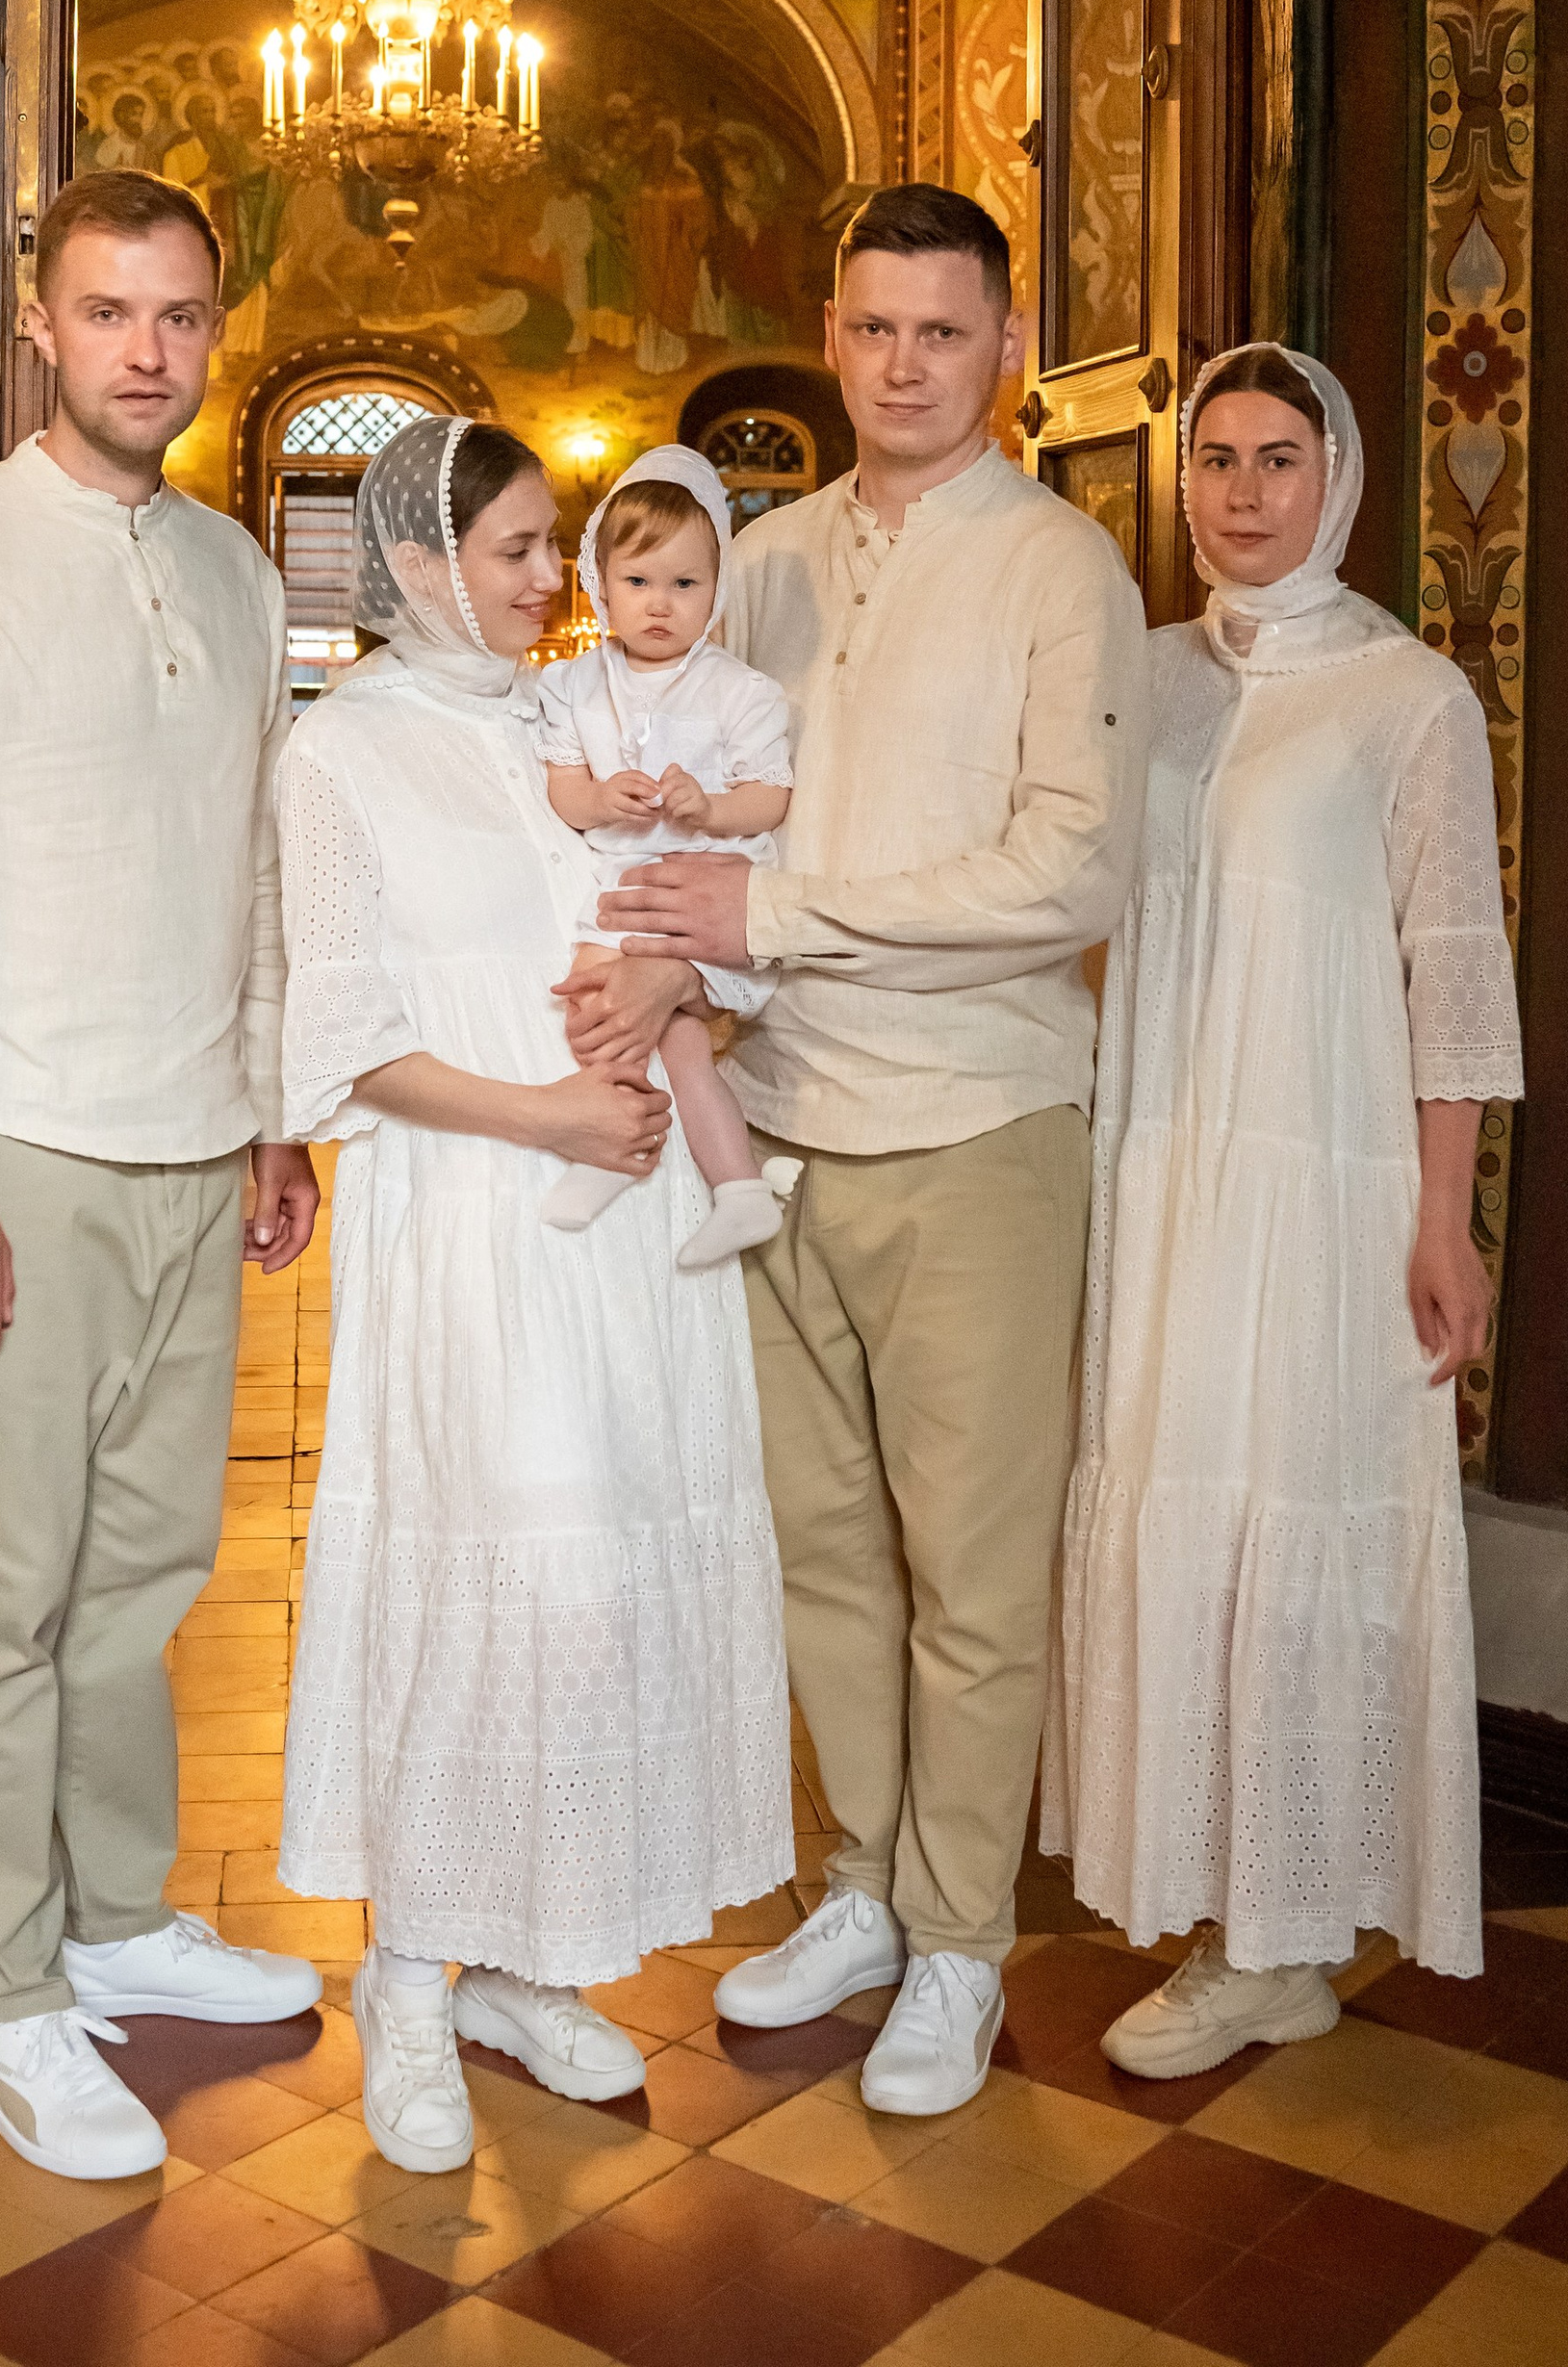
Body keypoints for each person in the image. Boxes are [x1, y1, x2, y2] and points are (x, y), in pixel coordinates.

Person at [603, 183, 1148, 2119]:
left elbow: (1068, 867)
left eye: (943, 331)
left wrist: (781, 921)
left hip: (972, 1129)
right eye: (872, 328)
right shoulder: (760, 562)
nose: (903, 364)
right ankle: (861, 1887)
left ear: (1004, 349)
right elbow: (690, 789)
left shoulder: (1061, 569)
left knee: (972, 1570)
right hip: (777, 1126)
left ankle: (964, 1944)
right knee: (816, 1546)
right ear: (827, 336)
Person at [0, 169, 323, 2187]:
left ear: (216, 330)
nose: (149, 351)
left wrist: (274, 1103)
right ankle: (13, 2003)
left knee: (142, 1584)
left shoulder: (229, 572)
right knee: (7, 1598)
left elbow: (259, 864)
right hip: (16, 1155)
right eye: (112, 313)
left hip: (196, 1145)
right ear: (42, 327)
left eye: (182, 316)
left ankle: (119, 1924)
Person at [272, 415, 791, 2177]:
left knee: (594, 1602)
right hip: (477, 1225)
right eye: (513, 550)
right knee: (493, 1587)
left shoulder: (577, 726)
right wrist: (551, 1109)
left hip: (633, 1245)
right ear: (421, 565)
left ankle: (518, 1957)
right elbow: (340, 1042)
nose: (551, 579)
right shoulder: (345, 757)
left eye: (557, 546)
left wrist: (667, 975)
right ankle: (406, 1977)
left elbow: (721, 927)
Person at [1046, 342, 1520, 2072]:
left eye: (1278, 460)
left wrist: (1446, 1218)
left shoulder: (1409, 700)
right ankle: (1218, 1902)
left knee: (1294, 1500)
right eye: (1217, 461)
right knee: (1178, 1478)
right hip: (1160, 1155)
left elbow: (1454, 969)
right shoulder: (1146, 676)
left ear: (1342, 480)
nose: (1242, 493)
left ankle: (1284, 1934)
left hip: (1322, 1171)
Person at [536, 443, 798, 1270]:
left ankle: (623, 1154)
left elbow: (773, 796)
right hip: (617, 889)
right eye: (639, 583)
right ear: (599, 584)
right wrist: (598, 799)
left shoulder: (740, 690)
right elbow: (564, 788)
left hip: (699, 893)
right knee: (632, 1024)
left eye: (686, 585)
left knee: (630, 1017)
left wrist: (709, 807)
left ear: (716, 591)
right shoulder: (575, 685)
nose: (660, 605)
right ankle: (739, 1190)